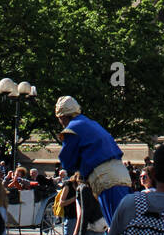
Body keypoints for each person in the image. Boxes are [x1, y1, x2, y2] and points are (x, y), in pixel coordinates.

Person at [55, 96, 132, 226]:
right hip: (122, 175)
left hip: (106, 179)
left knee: (116, 226)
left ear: (62, 116)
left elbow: (67, 161)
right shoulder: (93, 124)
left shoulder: (72, 129)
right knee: (125, 221)